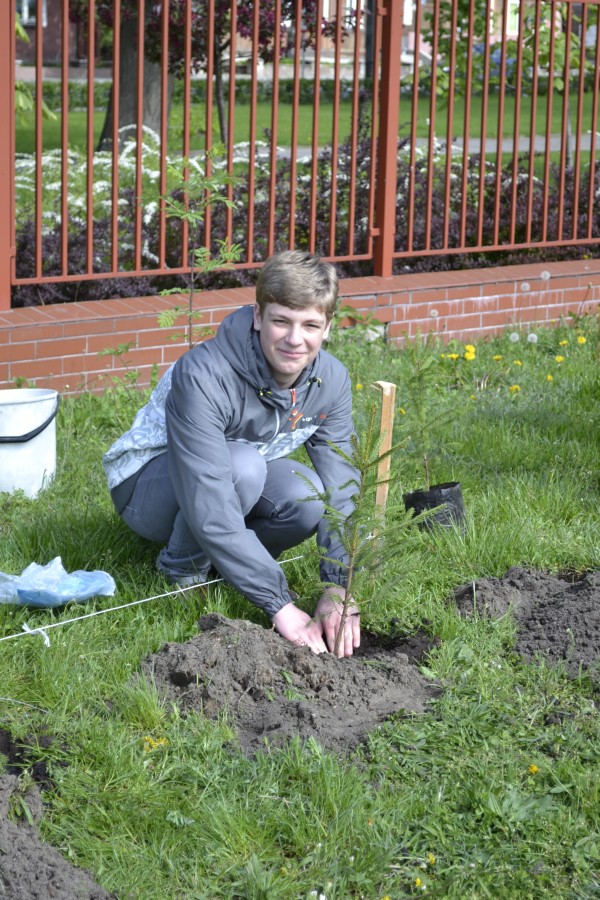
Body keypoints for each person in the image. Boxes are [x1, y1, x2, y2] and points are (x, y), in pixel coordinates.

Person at [103, 250, 360, 657]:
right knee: (242, 466)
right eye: (281, 321)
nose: (295, 339)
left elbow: (342, 482)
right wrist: (278, 603)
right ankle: (182, 572)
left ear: (327, 327)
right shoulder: (205, 374)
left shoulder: (330, 380)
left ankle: (228, 565)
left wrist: (338, 585)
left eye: (310, 325)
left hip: (236, 476)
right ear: (258, 316)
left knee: (308, 496)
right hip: (146, 487)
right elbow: (208, 489)